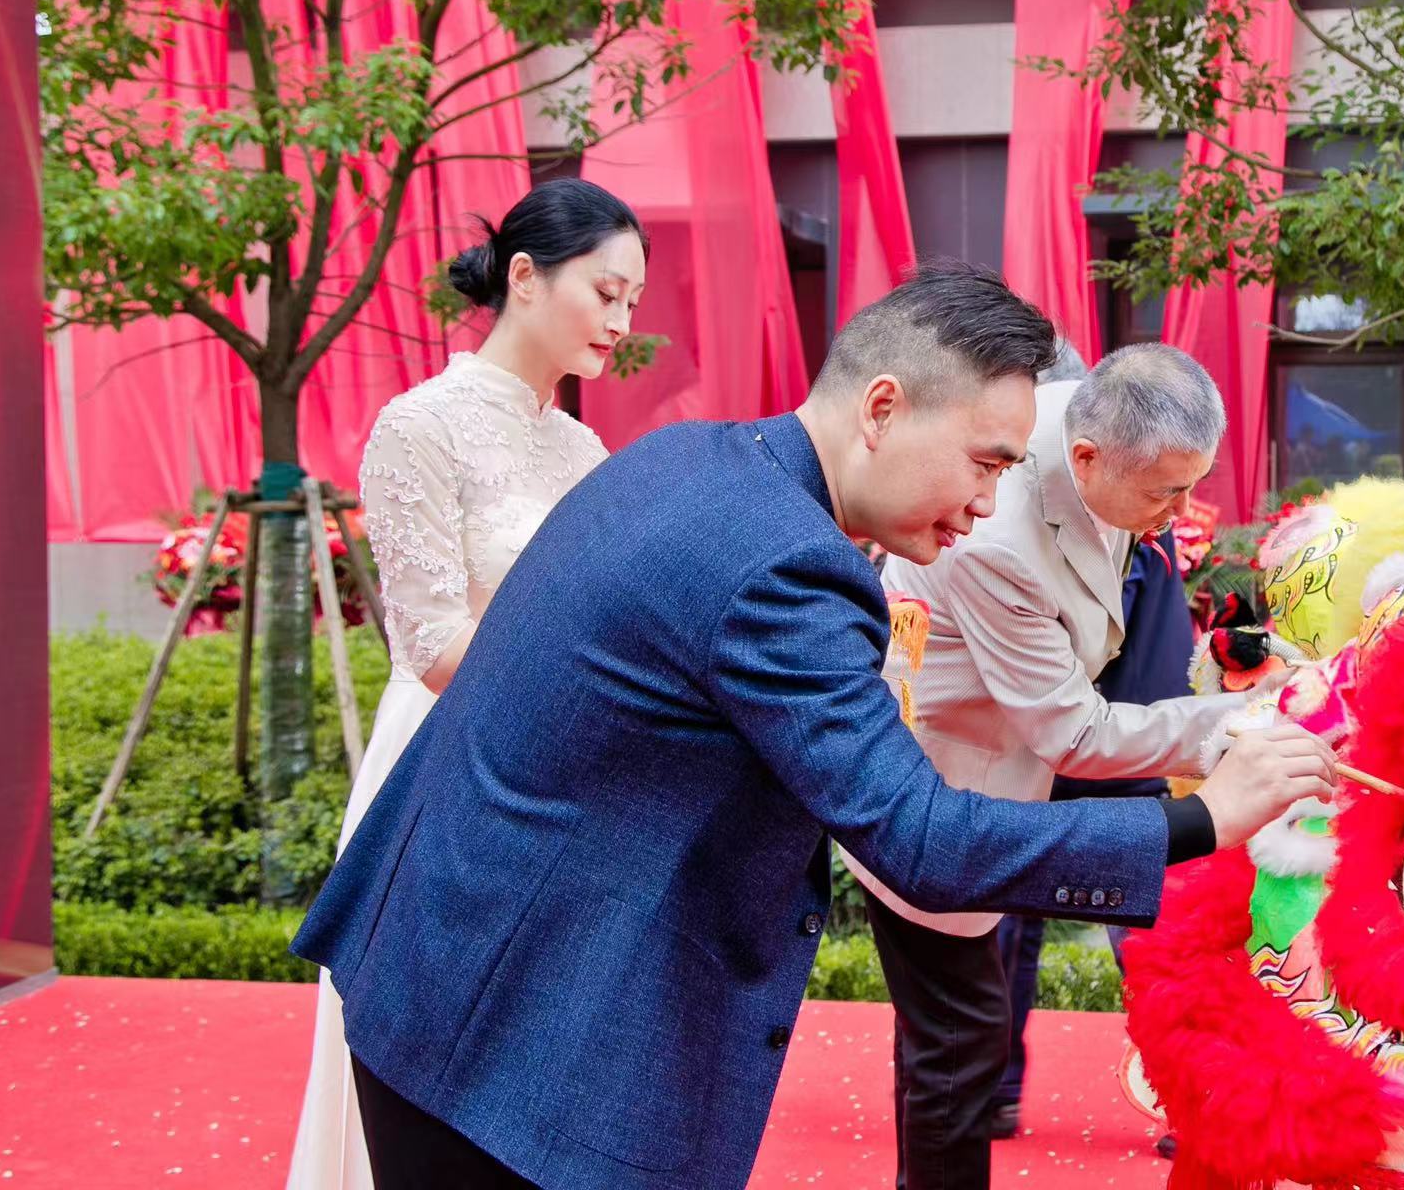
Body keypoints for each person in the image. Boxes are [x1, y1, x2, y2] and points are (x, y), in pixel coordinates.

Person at [289, 263, 1338, 1190]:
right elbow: (924, 840)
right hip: (518, 1027)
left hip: (448, 954)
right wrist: (1206, 817)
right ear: (882, 408)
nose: (987, 504)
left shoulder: (694, 457)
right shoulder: (787, 571)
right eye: (983, 463)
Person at [284, 177, 645, 1190]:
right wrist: (583, 693)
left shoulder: (582, 447)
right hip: (441, 763)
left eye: (632, 301)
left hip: (561, 770)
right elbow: (432, 638)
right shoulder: (418, 425)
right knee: (422, 1044)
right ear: (524, 276)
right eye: (606, 292)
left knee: (530, 1044)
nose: (621, 320)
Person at [845, 343, 1269, 1188]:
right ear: (1084, 457)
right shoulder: (995, 539)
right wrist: (1243, 721)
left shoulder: (1096, 420)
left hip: (1022, 740)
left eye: (1190, 486)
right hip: (948, 779)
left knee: (960, 1030)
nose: (1180, 513)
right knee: (960, 1038)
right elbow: (1073, 735)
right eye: (1164, 494)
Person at [989, 528, 1196, 1146]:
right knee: (1145, 940)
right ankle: (1190, 1102)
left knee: (1136, 937)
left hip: (1105, 741)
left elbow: (1096, 635)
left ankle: (994, 1090)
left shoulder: (1119, 521)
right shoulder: (1137, 513)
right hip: (1110, 742)